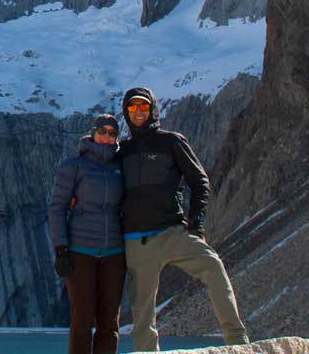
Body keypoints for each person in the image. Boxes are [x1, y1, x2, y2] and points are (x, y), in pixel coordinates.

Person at [118, 86, 248, 348]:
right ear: (126, 112)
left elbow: (199, 180)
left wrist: (196, 223)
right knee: (142, 310)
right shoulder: (122, 151)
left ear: (152, 108)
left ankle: (238, 343)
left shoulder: (172, 142)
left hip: (172, 232)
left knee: (212, 267)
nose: (138, 111)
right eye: (133, 107)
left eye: (143, 106)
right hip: (135, 240)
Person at [49, 114, 128, 354]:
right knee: (82, 319)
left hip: (115, 253)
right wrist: (61, 249)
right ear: (92, 133)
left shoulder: (121, 166)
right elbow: (57, 207)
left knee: (109, 321)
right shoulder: (73, 166)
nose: (106, 137)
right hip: (80, 251)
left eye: (112, 133)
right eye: (101, 131)